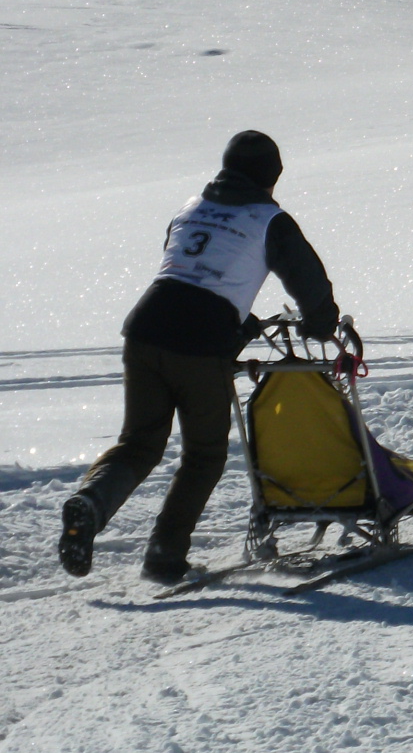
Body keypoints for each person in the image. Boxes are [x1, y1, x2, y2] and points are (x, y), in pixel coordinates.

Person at [59, 130, 338, 584]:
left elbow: (191, 275)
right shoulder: (271, 219)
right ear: (272, 177)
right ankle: (164, 556)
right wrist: (321, 324)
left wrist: (240, 325)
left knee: (140, 443)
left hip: (145, 330)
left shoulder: (189, 208)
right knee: (204, 454)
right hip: (199, 346)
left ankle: (90, 503)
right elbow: (309, 281)